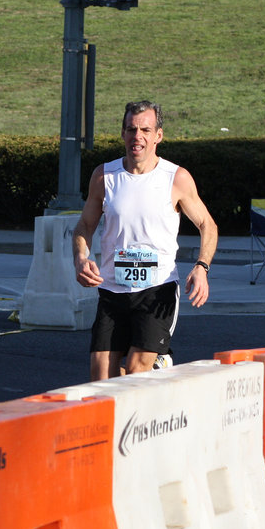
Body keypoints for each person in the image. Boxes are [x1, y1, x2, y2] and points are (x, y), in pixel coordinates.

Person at [73, 100, 218, 380]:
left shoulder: (175, 178)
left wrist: (202, 267)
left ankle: (153, 367)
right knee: (101, 379)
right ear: (123, 134)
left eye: (145, 130)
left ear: (158, 136)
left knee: (137, 372)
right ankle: (152, 374)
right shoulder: (105, 176)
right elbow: (85, 225)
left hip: (156, 288)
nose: (137, 137)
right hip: (112, 289)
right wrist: (80, 257)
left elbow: (207, 225)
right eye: (131, 129)